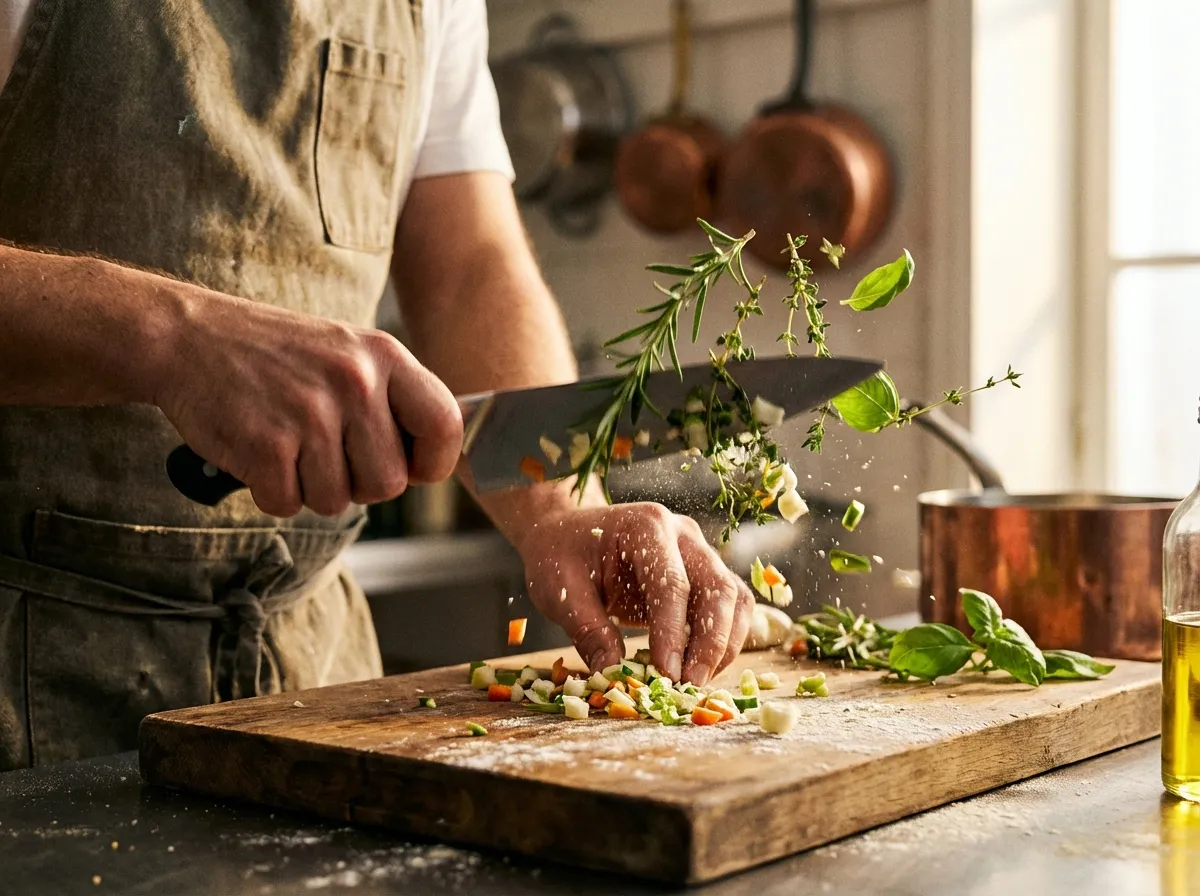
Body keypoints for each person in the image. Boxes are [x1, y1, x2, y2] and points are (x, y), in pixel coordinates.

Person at [0, 0, 754, 770]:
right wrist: (169, 337)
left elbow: (468, 269)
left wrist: (562, 506)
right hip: (25, 676)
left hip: (310, 674)